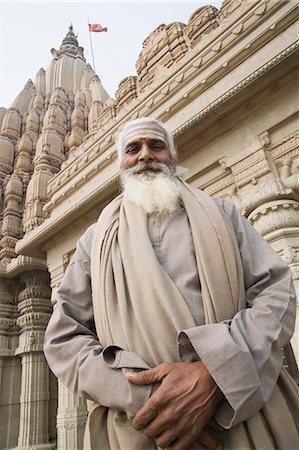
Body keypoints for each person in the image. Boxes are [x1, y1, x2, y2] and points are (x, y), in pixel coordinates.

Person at [44, 117, 299, 450]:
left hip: (242, 410)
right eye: (133, 149)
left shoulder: (222, 214)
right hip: (145, 428)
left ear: (172, 158)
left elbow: (276, 292)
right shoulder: (95, 240)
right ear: (121, 165)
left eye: (157, 146)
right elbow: (64, 339)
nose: (145, 155)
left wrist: (218, 375)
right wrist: (151, 397)